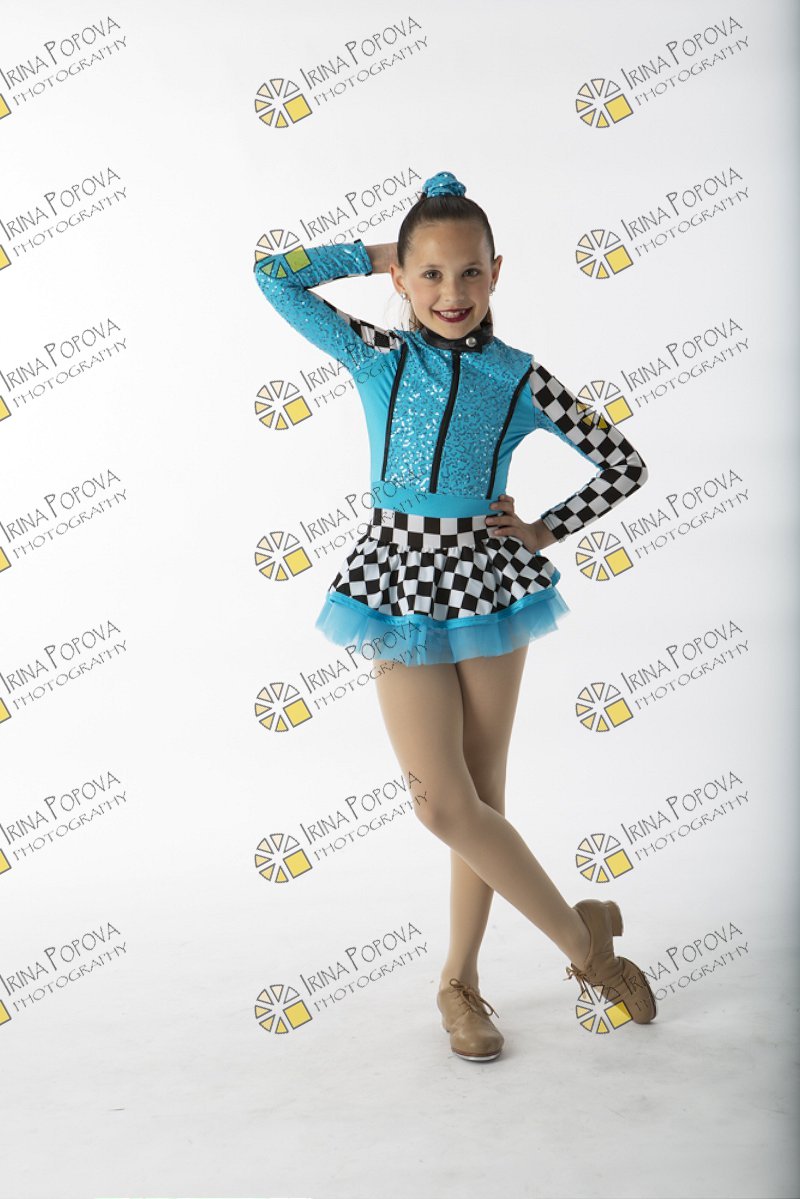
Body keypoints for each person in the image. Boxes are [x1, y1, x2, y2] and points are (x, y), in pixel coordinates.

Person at [253, 169, 657, 1062]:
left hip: (487, 579)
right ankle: (587, 946)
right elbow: (273, 274)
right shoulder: (376, 354)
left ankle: (460, 982)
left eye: (470, 271)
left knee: (480, 790)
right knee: (441, 804)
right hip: (397, 577)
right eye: (430, 274)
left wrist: (545, 528)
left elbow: (624, 463)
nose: (452, 292)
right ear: (402, 278)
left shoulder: (518, 377)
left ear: (497, 272)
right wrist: (381, 250)